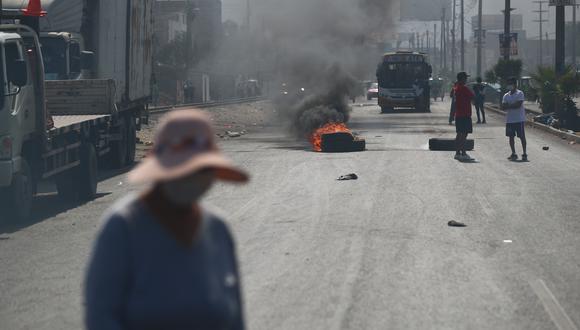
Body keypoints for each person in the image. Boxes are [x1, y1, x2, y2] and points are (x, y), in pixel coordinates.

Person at [85, 110, 248, 330]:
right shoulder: (123, 227)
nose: (194, 179)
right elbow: (101, 317)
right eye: (184, 169)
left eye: (202, 171)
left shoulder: (218, 229)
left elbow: (234, 317)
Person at [501, 77, 528, 161]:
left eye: (511, 84)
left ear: (515, 84)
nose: (510, 85)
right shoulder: (506, 95)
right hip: (510, 120)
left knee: (522, 137)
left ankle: (524, 153)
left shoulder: (520, 93)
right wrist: (511, 105)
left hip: (519, 119)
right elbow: (503, 107)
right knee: (511, 137)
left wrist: (508, 106)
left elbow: (518, 105)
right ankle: (513, 153)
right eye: (508, 84)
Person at [453, 72, 475, 161]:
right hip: (464, 114)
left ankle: (458, 153)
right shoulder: (463, 88)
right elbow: (472, 96)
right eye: (465, 78)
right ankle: (463, 152)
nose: (466, 80)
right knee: (463, 134)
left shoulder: (456, 88)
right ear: (462, 79)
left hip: (459, 114)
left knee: (459, 134)